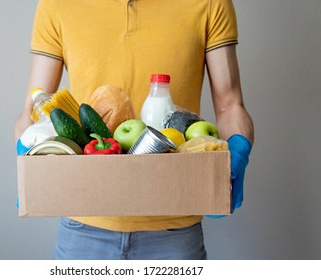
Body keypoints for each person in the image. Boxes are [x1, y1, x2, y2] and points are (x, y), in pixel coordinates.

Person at [14, 0, 254, 260]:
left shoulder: (210, 3)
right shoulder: (57, 4)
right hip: (84, 227)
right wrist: (28, 152)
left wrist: (238, 148)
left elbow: (230, 105)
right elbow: (34, 108)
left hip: (174, 227)